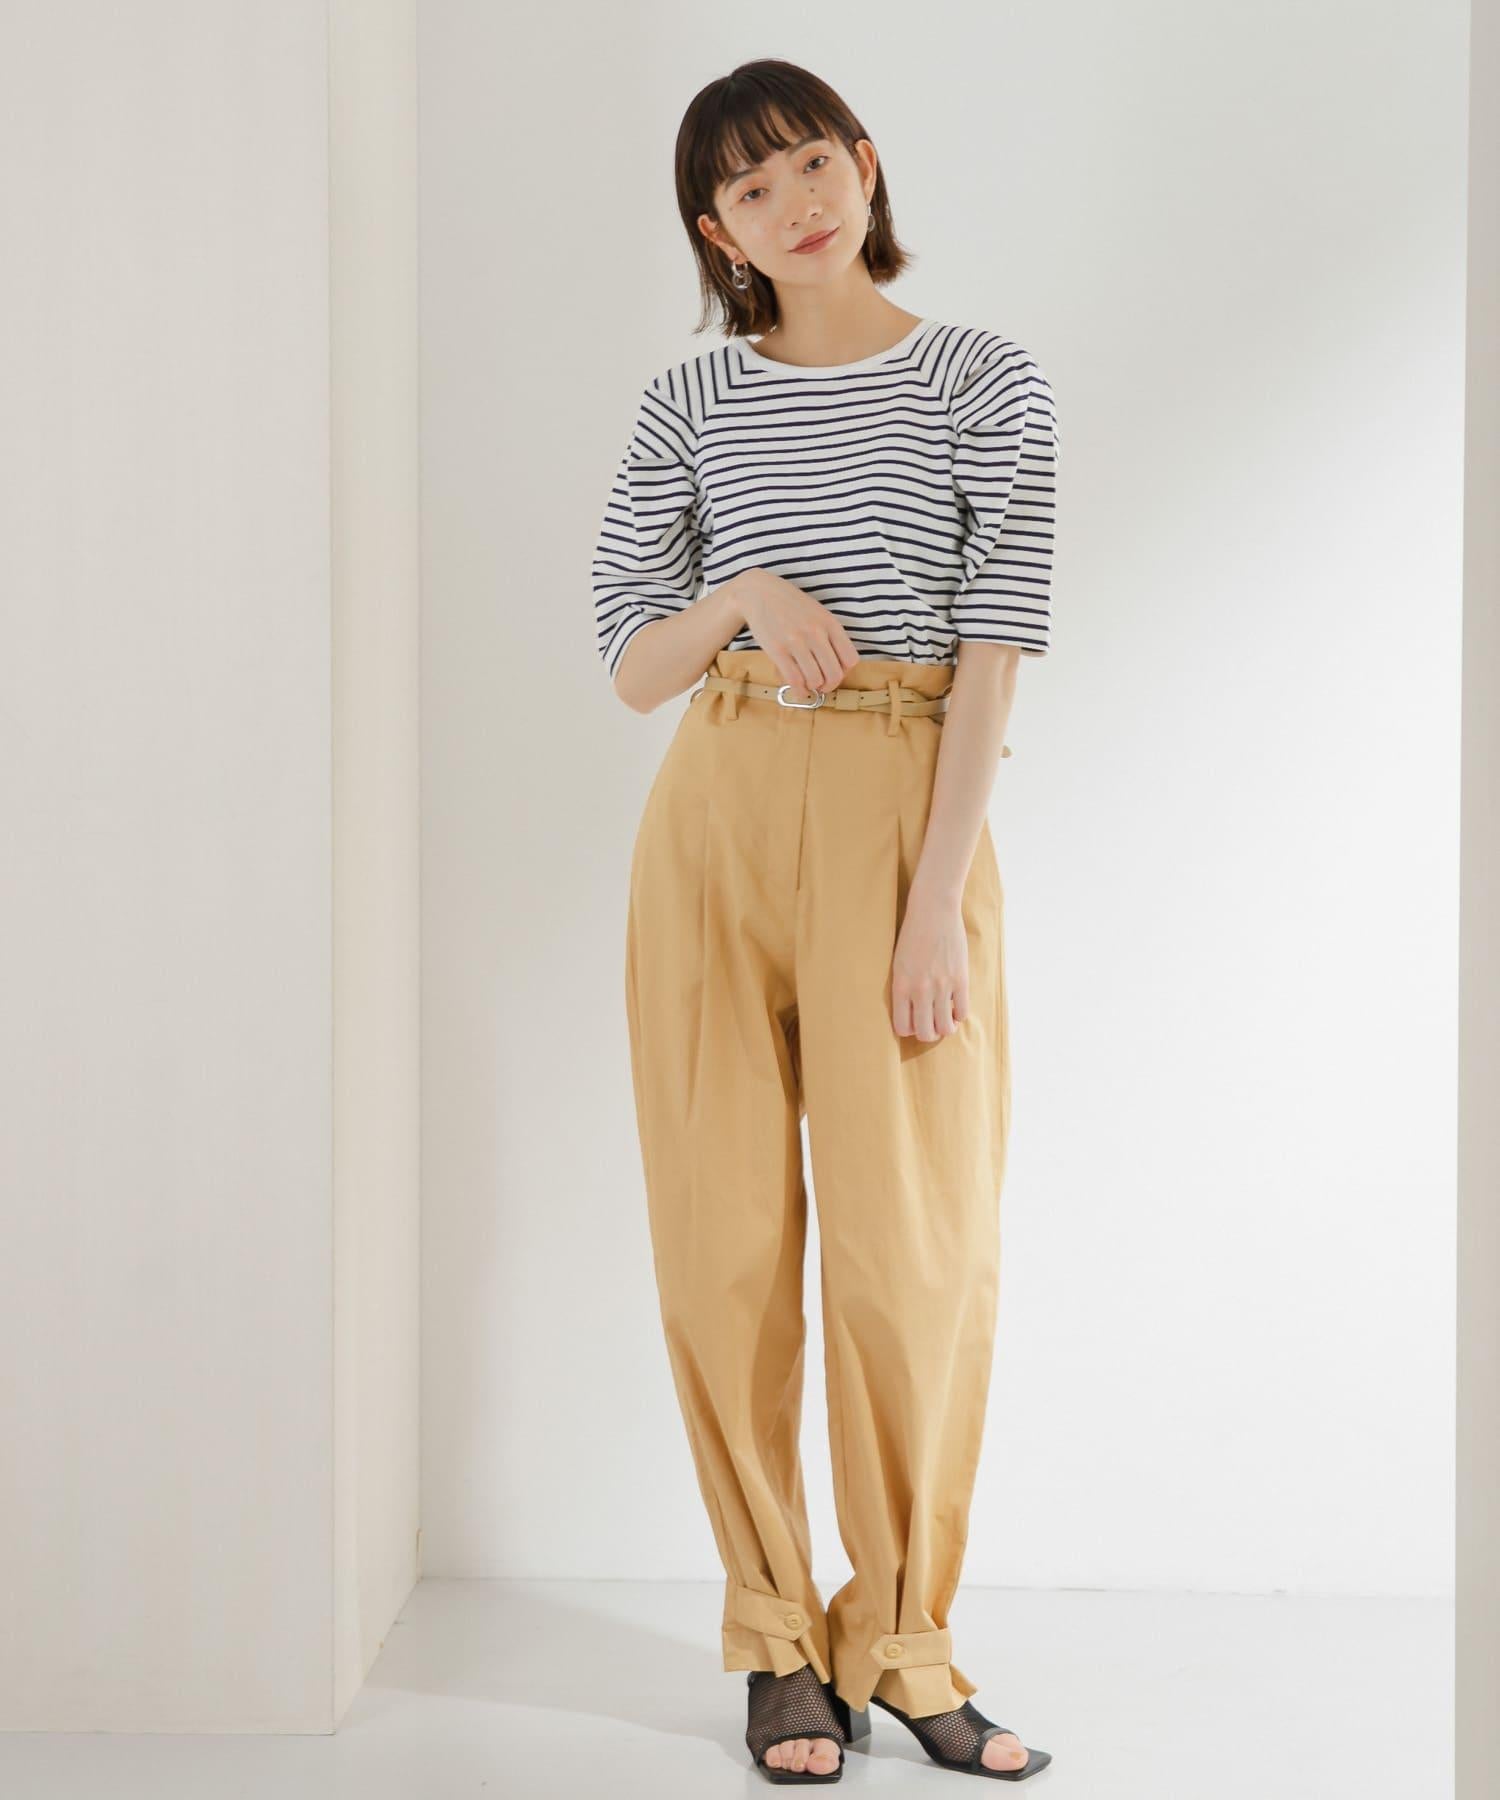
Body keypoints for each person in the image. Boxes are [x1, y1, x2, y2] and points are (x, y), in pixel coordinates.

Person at [591, 56, 1059, 1786]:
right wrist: (737, 591)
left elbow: (994, 652)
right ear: (716, 233)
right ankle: (778, 1642)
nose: (792, 201)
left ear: (863, 163)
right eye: (748, 187)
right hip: (715, 817)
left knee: (910, 1257)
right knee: (720, 1246)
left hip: (902, 820)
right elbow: (632, 661)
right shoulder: (690, 402)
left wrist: (934, 909)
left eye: (808, 161)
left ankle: (907, 1641)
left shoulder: (983, 380)